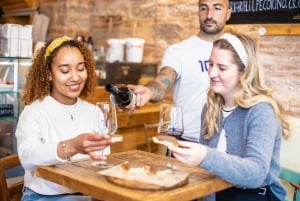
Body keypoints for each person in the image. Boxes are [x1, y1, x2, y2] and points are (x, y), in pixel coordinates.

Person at [168, 33, 288, 201]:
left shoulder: (261, 110)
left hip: (255, 195)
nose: (211, 73)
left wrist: (205, 156)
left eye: (222, 68)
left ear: (244, 72)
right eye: (210, 64)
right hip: (218, 193)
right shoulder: (211, 108)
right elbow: (207, 174)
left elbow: (256, 173)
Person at [16, 36, 116, 201]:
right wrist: (72, 146)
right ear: (48, 74)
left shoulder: (94, 112)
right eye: (64, 70)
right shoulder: (33, 112)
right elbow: (28, 157)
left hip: (85, 195)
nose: (75, 77)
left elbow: (103, 156)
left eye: (80, 68)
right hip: (44, 196)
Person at [129, 0, 232, 142]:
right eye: (204, 8)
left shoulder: (238, 52)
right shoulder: (179, 51)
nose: (209, 14)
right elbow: (162, 82)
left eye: (217, 8)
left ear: (228, 13)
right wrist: (149, 91)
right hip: (186, 143)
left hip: (226, 146)